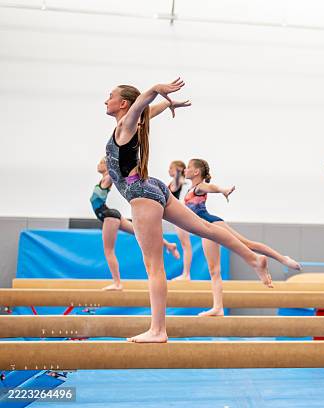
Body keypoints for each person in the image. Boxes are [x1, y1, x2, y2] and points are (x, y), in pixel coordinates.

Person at [104, 78, 272, 343]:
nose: (106, 100)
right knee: (207, 229)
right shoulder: (134, 124)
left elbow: (140, 106)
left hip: (140, 195)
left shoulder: (126, 125)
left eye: (110, 96)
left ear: (123, 103)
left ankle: (158, 330)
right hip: (155, 188)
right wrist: (164, 104)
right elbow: (146, 111)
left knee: (155, 268)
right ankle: (253, 259)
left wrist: (155, 90)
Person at [184, 158, 302, 316]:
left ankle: (283, 259)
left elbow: (211, 187)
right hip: (204, 230)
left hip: (211, 224)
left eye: (188, 167)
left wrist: (223, 190)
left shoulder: (199, 187)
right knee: (214, 270)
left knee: (248, 245)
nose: (185, 170)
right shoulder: (190, 188)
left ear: (196, 171)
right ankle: (218, 307)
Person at [90, 157, 180, 291]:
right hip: (113, 215)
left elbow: (116, 174)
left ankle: (117, 283)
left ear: (107, 166)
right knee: (141, 234)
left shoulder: (108, 176)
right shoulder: (104, 178)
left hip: (108, 216)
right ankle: (168, 244)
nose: (98, 164)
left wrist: (116, 163)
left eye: (101, 162)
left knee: (109, 251)